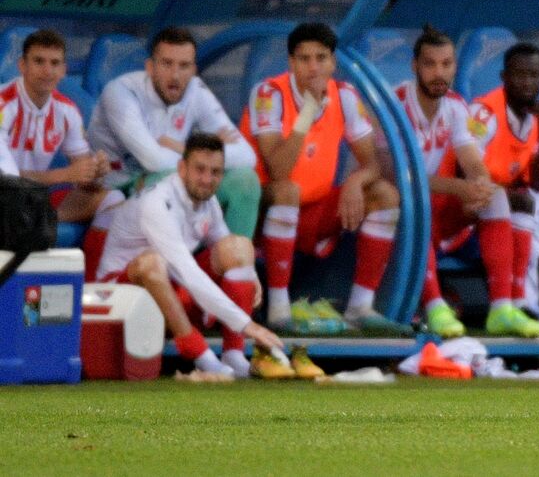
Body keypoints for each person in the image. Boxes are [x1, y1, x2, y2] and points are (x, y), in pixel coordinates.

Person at [239, 22, 406, 336]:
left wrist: (356, 183)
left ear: (333, 62)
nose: (313, 67)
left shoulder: (344, 95)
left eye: (321, 58)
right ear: (291, 62)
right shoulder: (269, 93)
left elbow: (372, 164)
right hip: (262, 217)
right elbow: (279, 171)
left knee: (384, 194)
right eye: (304, 59)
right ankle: (278, 309)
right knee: (287, 189)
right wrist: (308, 112)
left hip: (313, 213)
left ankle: (360, 307)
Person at [95, 135, 293, 380]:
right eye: (200, 169)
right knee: (152, 262)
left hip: (168, 296)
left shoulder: (207, 202)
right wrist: (246, 324)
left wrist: (251, 275)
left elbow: (228, 245)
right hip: (120, 299)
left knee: (240, 246)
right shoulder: (157, 202)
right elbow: (185, 270)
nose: (207, 179)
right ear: (182, 168)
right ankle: (201, 354)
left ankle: (234, 355)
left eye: (215, 172)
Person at [391, 27, 539, 340]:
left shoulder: (456, 106)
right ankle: (435, 307)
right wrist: (460, 188)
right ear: (414, 66)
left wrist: (480, 183)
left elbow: (471, 159)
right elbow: (401, 177)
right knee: (410, 205)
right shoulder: (395, 104)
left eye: (446, 64)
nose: (439, 73)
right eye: (430, 64)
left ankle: (503, 309)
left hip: (443, 211)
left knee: (496, 197)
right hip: (404, 209)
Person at [88, 27, 261, 242]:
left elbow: (247, 156)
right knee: (174, 180)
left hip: (176, 171)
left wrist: (183, 148)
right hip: (121, 184)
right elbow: (154, 161)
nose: (176, 75)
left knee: (245, 181)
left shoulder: (195, 89)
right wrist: (209, 153)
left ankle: (235, 267)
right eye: (167, 64)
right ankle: (177, 268)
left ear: (194, 69)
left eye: (184, 66)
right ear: (150, 67)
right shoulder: (121, 92)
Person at [3, 30, 121, 277]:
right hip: (5, 198)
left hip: (31, 204)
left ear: (64, 70)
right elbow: (8, 182)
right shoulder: (4, 103)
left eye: (55, 63)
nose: (48, 70)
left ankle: (94, 284)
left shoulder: (67, 110)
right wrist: (64, 174)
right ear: (22, 65)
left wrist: (95, 172)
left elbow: (82, 174)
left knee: (112, 199)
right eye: (39, 61)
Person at [459, 42, 539, 334]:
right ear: (504, 77)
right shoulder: (486, 112)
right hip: (466, 206)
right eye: (520, 74)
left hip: (499, 208)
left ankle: (519, 304)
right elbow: (462, 168)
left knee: (530, 202)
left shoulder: (534, 117)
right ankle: (509, 303)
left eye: (534, 76)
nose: (528, 83)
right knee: (513, 200)